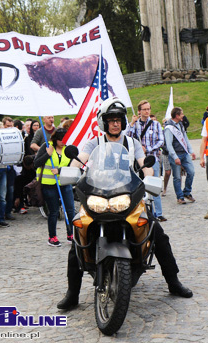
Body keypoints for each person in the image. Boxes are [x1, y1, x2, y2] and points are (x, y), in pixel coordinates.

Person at [57, 97, 192, 311]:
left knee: (156, 231)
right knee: (78, 232)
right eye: (111, 120)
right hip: (98, 195)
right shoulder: (94, 143)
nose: (115, 123)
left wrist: (149, 177)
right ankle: (72, 293)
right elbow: (80, 159)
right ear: (104, 122)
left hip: (127, 197)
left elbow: (144, 163)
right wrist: (72, 170)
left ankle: (173, 282)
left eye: (118, 119)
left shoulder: (132, 143)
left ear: (123, 121)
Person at [127, 100, 167, 221]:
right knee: (138, 187)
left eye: (148, 109)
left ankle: (158, 213)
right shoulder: (135, 125)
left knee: (153, 185)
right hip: (138, 161)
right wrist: (132, 124)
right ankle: (142, 212)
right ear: (139, 111)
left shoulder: (155, 124)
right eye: (144, 109)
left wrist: (148, 148)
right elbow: (128, 138)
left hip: (152, 159)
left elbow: (161, 140)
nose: (147, 111)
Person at [34, 128, 74, 246]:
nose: (63, 142)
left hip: (65, 183)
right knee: (54, 212)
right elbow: (36, 163)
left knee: (70, 210)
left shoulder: (69, 148)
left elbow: (74, 165)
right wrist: (48, 154)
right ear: (55, 139)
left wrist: (60, 170)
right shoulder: (46, 146)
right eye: (60, 140)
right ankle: (52, 237)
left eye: (65, 140)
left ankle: (71, 234)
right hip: (49, 184)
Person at [164, 107, 196, 205]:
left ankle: (187, 192)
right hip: (176, 154)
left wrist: (191, 151)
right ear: (177, 116)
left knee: (191, 172)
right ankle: (180, 196)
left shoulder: (180, 125)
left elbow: (185, 138)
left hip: (184, 153)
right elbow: (169, 145)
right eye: (181, 114)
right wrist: (175, 157)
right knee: (177, 177)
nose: (183, 116)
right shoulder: (168, 128)